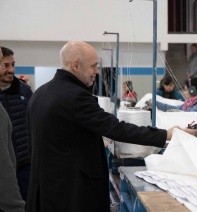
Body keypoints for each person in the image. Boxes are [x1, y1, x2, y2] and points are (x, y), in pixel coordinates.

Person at [26, 41, 178, 212]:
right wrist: (166, 135)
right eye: (94, 66)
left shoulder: (39, 94)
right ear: (76, 65)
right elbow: (116, 129)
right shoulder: (76, 97)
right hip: (71, 196)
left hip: (45, 193)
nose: (97, 71)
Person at [0, 46, 33, 202]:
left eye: (12, 65)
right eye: (6, 65)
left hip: (25, 166)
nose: (11, 70)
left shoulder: (25, 91)